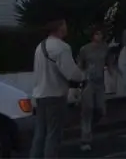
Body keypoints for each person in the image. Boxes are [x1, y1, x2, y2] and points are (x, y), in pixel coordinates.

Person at [30, 18, 84, 159]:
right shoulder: (62, 47)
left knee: (40, 133)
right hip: (55, 95)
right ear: (59, 28)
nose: (67, 28)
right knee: (54, 134)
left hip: (40, 95)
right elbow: (72, 73)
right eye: (65, 25)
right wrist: (83, 75)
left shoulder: (40, 46)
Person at [78, 28, 111, 152]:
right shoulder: (85, 49)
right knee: (87, 110)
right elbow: (80, 65)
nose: (99, 36)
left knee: (101, 109)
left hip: (100, 82)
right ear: (92, 35)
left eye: (101, 33)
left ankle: (90, 128)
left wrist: (114, 73)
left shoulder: (105, 48)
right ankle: (85, 140)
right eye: (97, 33)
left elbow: (109, 63)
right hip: (88, 82)